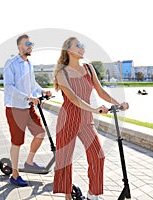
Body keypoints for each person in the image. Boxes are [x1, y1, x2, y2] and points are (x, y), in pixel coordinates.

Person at [52, 37, 129, 200]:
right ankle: (67, 196)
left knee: (98, 155)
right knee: (65, 159)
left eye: (83, 45)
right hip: (68, 120)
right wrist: (94, 109)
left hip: (86, 121)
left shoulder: (89, 68)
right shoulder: (61, 72)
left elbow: (100, 91)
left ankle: (93, 194)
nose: (82, 48)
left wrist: (118, 103)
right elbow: (72, 98)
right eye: (78, 46)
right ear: (69, 50)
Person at [3, 34, 52, 187]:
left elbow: (32, 84)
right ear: (20, 46)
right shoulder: (11, 63)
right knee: (17, 142)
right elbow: (9, 87)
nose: (31, 46)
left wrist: (42, 91)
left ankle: (29, 161)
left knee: (40, 133)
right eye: (28, 43)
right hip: (15, 108)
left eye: (32, 43)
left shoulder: (29, 63)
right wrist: (28, 98)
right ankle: (15, 174)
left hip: (28, 107)